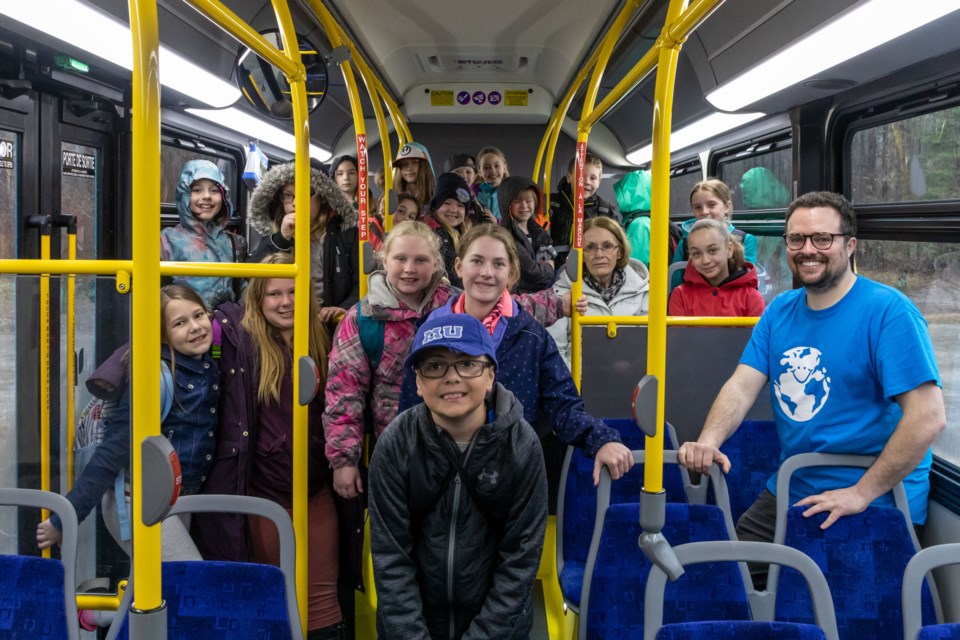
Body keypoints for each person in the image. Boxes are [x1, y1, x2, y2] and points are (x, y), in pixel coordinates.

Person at [678, 192, 945, 549]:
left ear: (849, 245)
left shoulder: (889, 313)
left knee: (825, 598)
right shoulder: (780, 312)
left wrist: (860, 493)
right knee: (728, 577)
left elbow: (927, 417)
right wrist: (709, 441)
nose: (807, 249)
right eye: (796, 239)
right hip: (796, 486)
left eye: (822, 239)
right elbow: (742, 387)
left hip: (877, 497)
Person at [324, 221, 572, 502]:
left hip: (457, 433)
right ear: (384, 261)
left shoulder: (450, 303)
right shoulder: (363, 320)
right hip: (400, 443)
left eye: (421, 260)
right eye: (400, 259)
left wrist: (558, 305)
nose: (409, 269)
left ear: (436, 265)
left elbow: (505, 306)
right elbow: (344, 394)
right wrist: (344, 459)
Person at [399, 224, 634, 496]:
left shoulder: (529, 333)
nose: (487, 273)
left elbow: (563, 404)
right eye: (477, 261)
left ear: (510, 274)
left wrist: (600, 440)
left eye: (498, 264)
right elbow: (410, 410)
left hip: (514, 475)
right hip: (442, 474)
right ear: (459, 267)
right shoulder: (432, 331)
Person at [368, 313, 548, 640]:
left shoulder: (521, 445)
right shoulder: (397, 443)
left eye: (467, 364)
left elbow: (520, 562)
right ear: (419, 383)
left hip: (499, 630)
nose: (452, 377)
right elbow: (391, 559)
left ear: (491, 374)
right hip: (412, 628)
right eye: (435, 367)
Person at [202, 253, 349, 638]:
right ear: (257, 300)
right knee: (271, 595)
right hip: (263, 492)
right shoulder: (237, 341)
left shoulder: (327, 339)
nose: (285, 302)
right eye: (274, 294)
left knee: (321, 603)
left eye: (293, 291)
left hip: (315, 487)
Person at [37, 284, 219, 560]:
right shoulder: (154, 379)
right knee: (189, 580)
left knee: (171, 591)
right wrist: (64, 519)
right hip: (139, 498)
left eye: (199, 315)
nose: (195, 327)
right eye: (180, 323)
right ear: (162, 335)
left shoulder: (206, 365)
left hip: (178, 497)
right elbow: (110, 454)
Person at [247, 159, 359, 323]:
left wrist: (345, 308)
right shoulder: (277, 235)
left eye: (303, 192)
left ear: (322, 197)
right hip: (283, 322)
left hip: (326, 322)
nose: (294, 203)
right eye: (287, 195)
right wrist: (281, 239)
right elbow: (251, 277)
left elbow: (361, 283)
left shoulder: (345, 235)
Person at [550, 216, 650, 366]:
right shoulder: (562, 293)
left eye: (607, 246)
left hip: (631, 376)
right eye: (590, 247)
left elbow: (649, 343)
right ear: (581, 255)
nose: (599, 254)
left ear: (620, 252)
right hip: (580, 380)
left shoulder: (642, 290)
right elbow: (555, 349)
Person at [160, 159, 246, 309]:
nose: (207, 196)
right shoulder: (166, 241)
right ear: (184, 195)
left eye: (214, 190)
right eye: (197, 190)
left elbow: (244, 292)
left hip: (228, 327)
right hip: (186, 326)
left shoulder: (235, 243)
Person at [668, 219, 765, 317]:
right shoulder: (680, 296)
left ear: (729, 250)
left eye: (712, 250)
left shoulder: (751, 298)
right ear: (691, 258)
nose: (705, 260)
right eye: (697, 253)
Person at [549, 152, 621, 268]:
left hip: (590, 270)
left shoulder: (605, 210)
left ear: (599, 182)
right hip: (552, 270)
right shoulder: (551, 204)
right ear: (569, 177)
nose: (586, 182)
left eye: (593, 178)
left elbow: (619, 241)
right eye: (581, 176)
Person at [674, 178, 757, 270]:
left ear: (726, 207)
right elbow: (675, 279)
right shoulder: (685, 243)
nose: (704, 212)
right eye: (698, 207)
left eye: (711, 205)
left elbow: (747, 277)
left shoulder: (745, 240)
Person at [498, 176, 556, 294]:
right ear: (507, 205)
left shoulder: (537, 231)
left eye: (528, 201)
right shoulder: (507, 235)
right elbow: (531, 271)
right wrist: (549, 267)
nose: (524, 206)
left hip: (539, 291)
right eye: (517, 201)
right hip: (519, 295)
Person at [427, 172, 474, 288]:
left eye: (460, 206)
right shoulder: (433, 235)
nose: (453, 210)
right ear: (435, 206)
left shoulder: (466, 234)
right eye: (447, 203)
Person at [391, 142, 436, 211]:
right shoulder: (393, 196)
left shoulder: (436, 194)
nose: (409, 168)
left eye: (415, 162)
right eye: (404, 164)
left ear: (425, 166)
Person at [475, 146, 509, 223]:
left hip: (502, 233)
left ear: (504, 168)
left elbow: (515, 219)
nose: (492, 170)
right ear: (480, 172)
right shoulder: (475, 193)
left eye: (496, 166)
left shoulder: (510, 193)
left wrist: (497, 222)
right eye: (486, 168)